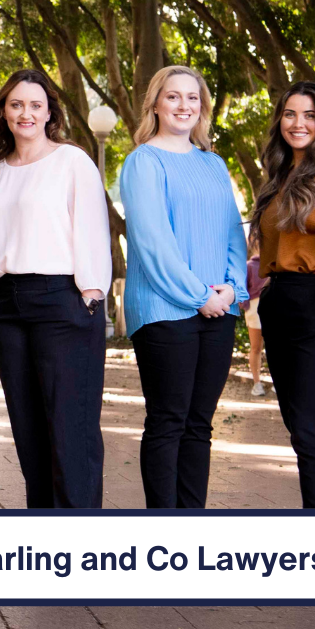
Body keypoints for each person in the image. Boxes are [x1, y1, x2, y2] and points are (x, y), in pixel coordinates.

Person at [0, 69, 111, 508]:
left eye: (35, 104)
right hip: (8, 305)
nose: (25, 113)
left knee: (71, 434)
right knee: (30, 436)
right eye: (16, 105)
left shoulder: (72, 161)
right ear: (4, 112)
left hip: (64, 301)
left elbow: (92, 229)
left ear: (49, 110)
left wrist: (91, 293)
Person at [120, 65, 247, 508]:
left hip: (218, 309)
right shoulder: (142, 162)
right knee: (168, 420)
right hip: (163, 310)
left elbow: (234, 232)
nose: (183, 106)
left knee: (199, 424)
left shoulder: (213, 164)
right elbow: (153, 241)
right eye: (173, 97)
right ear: (156, 103)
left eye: (192, 98)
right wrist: (200, 296)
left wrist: (232, 291)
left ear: (203, 107)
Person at [249, 81, 315, 508]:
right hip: (281, 304)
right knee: (300, 429)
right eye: (291, 114)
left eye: (309, 115)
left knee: (311, 427)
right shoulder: (278, 178)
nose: (299, 123)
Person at [243, 243, 268, 396]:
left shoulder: (275, 263)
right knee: (257, 348)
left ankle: (261, 383)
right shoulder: (250, 266)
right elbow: (243, 289)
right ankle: (257, 383)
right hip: (256, 308)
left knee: (258, 348)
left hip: (263, 306)